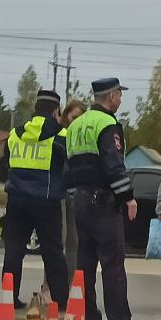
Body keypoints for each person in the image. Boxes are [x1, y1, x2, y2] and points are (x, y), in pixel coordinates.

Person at [66, 78, 151, 320]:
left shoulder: (76, 124)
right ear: (111, 96)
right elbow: (113, 164)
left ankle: (89, 317)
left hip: (79, 199)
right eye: (119, 95)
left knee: (85, 262)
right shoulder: (107, 124)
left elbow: (69, 166)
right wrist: (128, 197)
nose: (121, 100)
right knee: (113, 263)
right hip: (102, 201)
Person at [2, 88, 69, 310]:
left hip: (16, 199)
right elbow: (68, 168)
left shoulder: (15, 133)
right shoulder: (60, 136)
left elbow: (5, 164)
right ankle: (59, 300)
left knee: (14, 249)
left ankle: (8, 297)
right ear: (55, 111)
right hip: (46, 201)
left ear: (35, 109)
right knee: (52, 251)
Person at [60, 100, 87, 279]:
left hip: (77, 194)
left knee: (74, 243)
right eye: (73, 117)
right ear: (66, 116)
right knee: (57, 241)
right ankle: (51, 286)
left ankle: (71, 285)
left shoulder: (84, 138)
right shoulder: (60, 136)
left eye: (80, 118)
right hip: (59, 194)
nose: (76, 121)